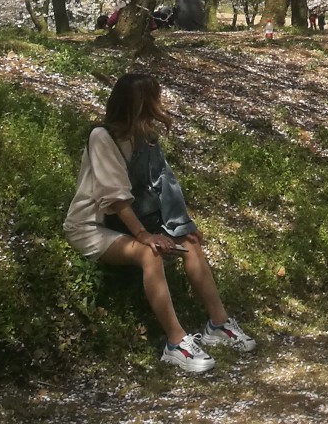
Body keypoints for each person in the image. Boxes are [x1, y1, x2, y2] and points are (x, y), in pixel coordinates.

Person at [65, 71, 254, 373]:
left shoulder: (145, 137)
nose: (158, 106)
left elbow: (165, 182)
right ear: (137, 104)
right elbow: (116, 199)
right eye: (153, 100)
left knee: (190, 243)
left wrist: (182, 226)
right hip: (92, 227)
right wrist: (144, 236)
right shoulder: (102, 137)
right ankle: (175, 343)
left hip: (127, 224)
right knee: (148, 254)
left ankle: (218, 324)